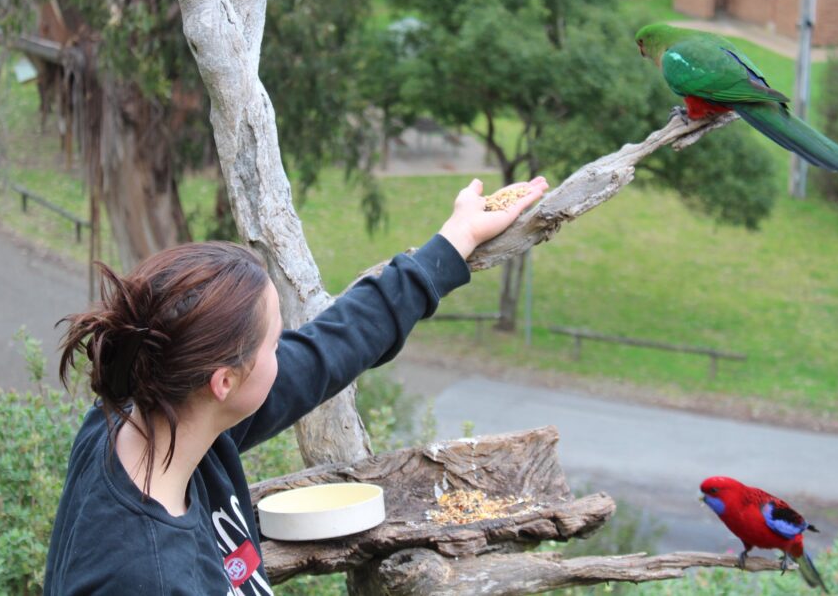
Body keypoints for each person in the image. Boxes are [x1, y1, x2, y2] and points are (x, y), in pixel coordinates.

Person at [44, 176, 548, 595]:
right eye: (273, 342)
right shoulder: (143, 577)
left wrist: (453, 242)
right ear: (224, 381)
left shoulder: (160, 419)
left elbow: (325, 351)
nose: (286, 350)